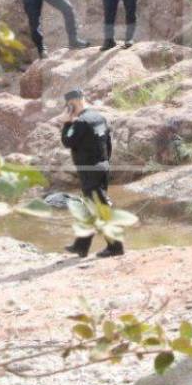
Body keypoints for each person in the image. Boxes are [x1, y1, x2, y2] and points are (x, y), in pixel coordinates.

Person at [59, 89, 123, 259]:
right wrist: (104, 162)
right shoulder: (98, 117)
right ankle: (81, 246)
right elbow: (108, 143)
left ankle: (116, 247)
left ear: (73, 103)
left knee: (101, 207)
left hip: (90, 170)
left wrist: (66, 123)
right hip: (101, 166)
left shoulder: (81, 122)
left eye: (69, 106)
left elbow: (67, 141)